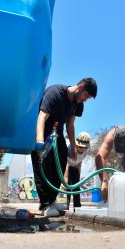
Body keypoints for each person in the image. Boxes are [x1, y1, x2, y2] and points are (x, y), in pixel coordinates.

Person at [31, 78, 97, 217]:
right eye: (86, 95)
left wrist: (73, 146)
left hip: (58, 131)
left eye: (88, 98)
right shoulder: (55, 93)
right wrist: (39, 141)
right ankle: (45, 204)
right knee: (43, 164)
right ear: (79, 87)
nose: (85, 100)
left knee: (60, 163)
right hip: (42, 129)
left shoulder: (78, 104)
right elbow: (42, 117)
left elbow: (70, 126)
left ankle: (52, 201)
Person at [61, 132, 91, 210]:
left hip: (76, 166)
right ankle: (65, 205)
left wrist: (79, 169)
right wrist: (65, 178)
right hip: (67, 166)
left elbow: (81, 160)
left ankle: (77, 206)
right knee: (67, 186)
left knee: (76, 187)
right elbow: (66, 163)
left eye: (83, 147)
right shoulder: (70, 148)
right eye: (79, 146)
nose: (80, 149)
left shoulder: (87, 150)